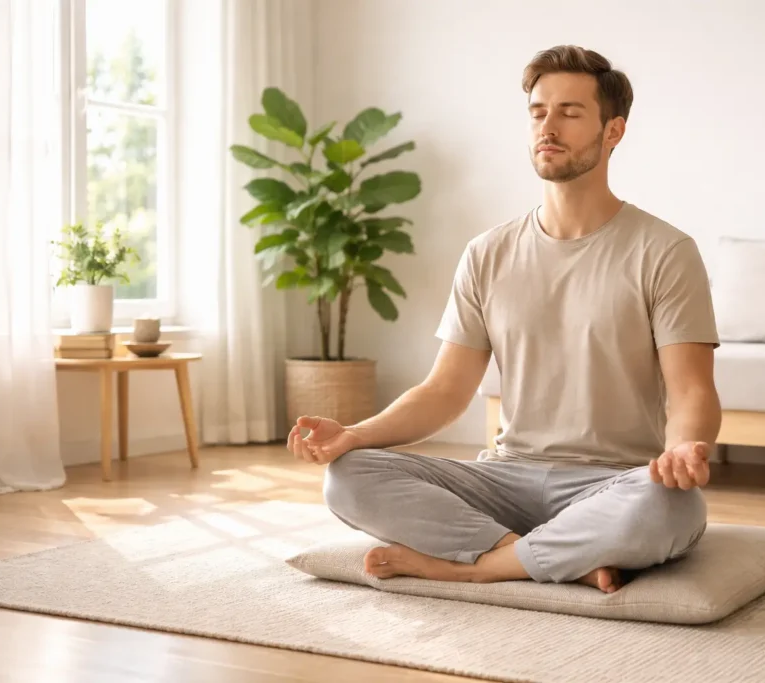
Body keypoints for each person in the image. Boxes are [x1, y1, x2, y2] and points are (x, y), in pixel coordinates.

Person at [287, 45, 721, 594]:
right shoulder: (487, 253)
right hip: (504, 476)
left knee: (673, 508)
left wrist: (684, 447)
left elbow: (691, 391)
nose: (549, 126)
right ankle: (540, 555)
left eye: (570, 111)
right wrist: (352, 435)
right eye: (539, 111)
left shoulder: (665, 250)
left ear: (613, 132)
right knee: (349, 477)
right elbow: (445, 391)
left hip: (612, 482)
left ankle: (473, 565)